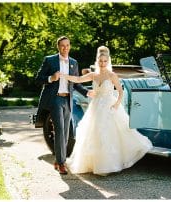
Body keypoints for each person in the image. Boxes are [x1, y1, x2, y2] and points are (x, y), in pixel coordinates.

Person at [62, 46, 153, 175]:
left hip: (109, 106)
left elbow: (120, 91)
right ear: (97, 61)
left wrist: (116, 104)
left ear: (108, 61)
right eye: (100, 61)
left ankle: (109, 164)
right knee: (93, 133)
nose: (102, 63)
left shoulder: (112, 75)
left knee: (108, 134)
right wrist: (63, 75)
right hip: (95, 107)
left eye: (105, 61)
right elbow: (77, 80)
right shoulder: (93, 75)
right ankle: (94, 164)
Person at [36, 36, 93, 175]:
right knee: (60, 130)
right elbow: (38, 79)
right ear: (58, 47)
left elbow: (76, 83)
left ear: (70, 46)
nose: (65, 48)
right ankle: (62, 163)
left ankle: (57, 160)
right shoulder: (49, 60)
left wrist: (87, 92)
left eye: (67, 45)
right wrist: (51, 78)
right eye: (62, 45)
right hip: (55, 100)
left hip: (68, 100)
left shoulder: (73, 62)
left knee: (66, 133)